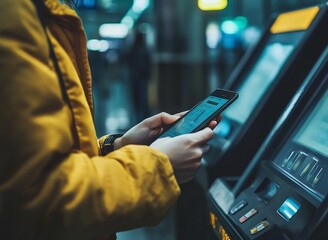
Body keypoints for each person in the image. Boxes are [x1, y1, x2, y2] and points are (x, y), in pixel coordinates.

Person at [0, 0, 218, 239]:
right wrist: (159, 166)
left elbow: (32, 157)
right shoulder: (15, 16)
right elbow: (41, 198)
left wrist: (116, 147)